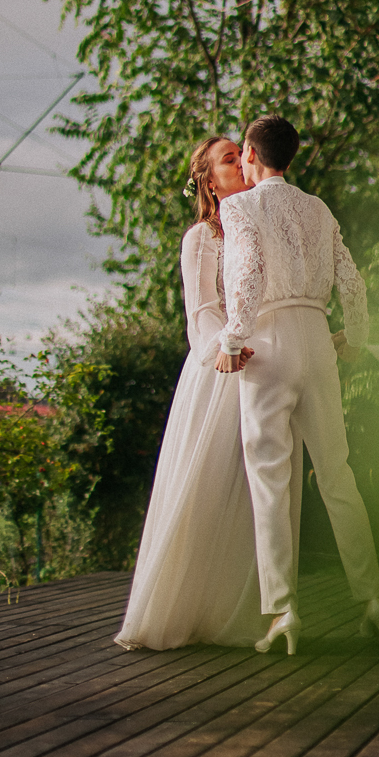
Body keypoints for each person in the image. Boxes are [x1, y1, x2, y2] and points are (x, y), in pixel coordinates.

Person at [114, 135, 300, 651]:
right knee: (209, 486)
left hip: (268, 364)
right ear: (207, 181)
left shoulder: (261, 222)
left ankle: (244, 611)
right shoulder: (202, 237)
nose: (239, 163)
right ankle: (184, 608)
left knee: (254, 493)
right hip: (220, 369)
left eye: (239, 155)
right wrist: (230, 346)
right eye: (226, 159)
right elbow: (201, 315)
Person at [216, 113, 379, 655]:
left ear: (250, 153)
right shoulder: (317, 208)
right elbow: (352, 280)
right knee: (337, 475)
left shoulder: (239, 206)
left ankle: (285, 611)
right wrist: (354, 337)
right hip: (317, 337)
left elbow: (246, 274)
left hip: (267, 341)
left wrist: (231, 340)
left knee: (270, 477)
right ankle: (374, 601)